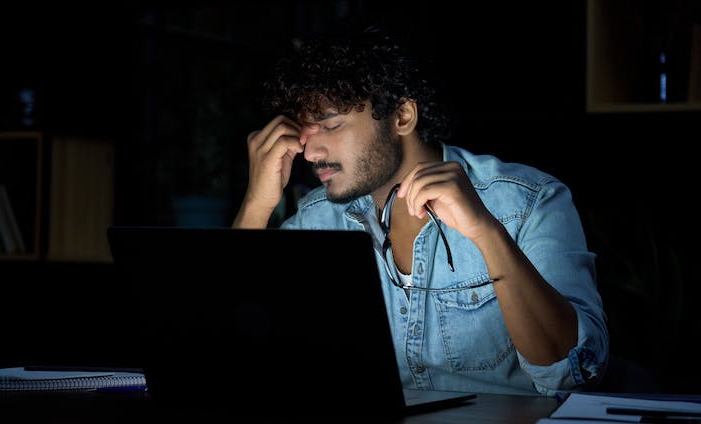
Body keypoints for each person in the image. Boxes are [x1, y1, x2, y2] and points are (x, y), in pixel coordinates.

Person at [232, 26, 608, 396]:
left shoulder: (529, 202)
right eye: (305, 133)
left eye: (330, 125)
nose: (310, 153)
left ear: (402, 117)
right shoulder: (317, 221)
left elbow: (573, 373)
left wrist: (485, 233)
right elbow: (229, 346)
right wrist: (256, 205)